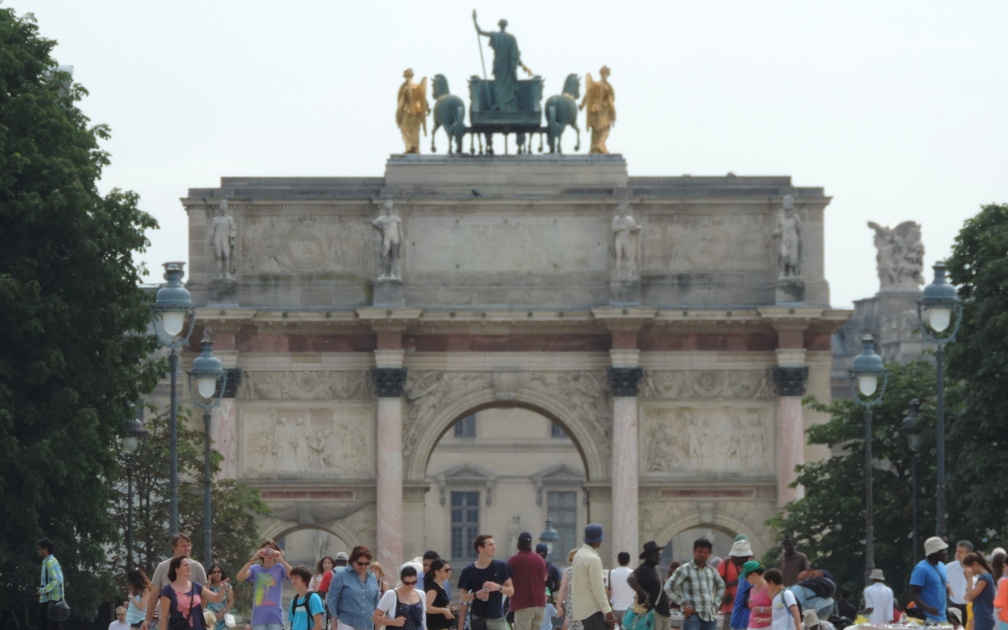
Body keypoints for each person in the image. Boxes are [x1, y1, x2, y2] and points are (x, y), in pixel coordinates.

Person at [145, 534, 208, 630]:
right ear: (174, 548)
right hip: (168, 620)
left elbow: (204, 596)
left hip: (191, 622)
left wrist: (197, 615)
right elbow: (154, 594)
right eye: (183, 546)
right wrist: (147, 619)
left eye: (189, 545)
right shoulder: (162, 567)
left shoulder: (197, 567)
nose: (187, 548)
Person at [472, 11, 532, 111]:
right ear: (506, 26)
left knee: (499, 85)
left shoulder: (495, 35)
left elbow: (479, 31)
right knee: (507, 86)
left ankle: (502, 106)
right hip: (508, 66)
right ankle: (506, 106)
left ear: (499, 26)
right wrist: (522, 65)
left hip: (499, 64)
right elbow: (515, 54)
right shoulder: (511, 38)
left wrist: (474, 19)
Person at [665, 538, 725, 630]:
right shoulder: (684, 569)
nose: (703, 554)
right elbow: (668, 587)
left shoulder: (712, 571)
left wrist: (716, 604)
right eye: (700, 551)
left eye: (706, 552)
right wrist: (683, 604)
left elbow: (721, 586)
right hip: (693, 616)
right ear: (694, 551)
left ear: (709, 554)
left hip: (710, 617)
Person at [458, 534, 514, 630]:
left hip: (497, 619)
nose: (494, 547)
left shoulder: (501, 566)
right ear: (480, 548)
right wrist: (476, 595)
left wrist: (498, 587)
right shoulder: (468, 571)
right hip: (477, 618)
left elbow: (511, 591)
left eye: (494, 544)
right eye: (490, 545)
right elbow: (463, 597)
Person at [237, 539, 293, 630]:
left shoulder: (280, 568)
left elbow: (294, 575)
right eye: (266, 551)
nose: (269, 554)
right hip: (259, 616)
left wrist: (281, 560)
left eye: (272, 551)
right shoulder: (255, 568)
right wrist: (252, 559)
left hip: (275, 616)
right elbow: (239, 577)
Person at [158, 556, 226, 630]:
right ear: (177, 570)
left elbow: (216, 599)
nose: (189, 567)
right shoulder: (167, 590)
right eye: (185, 565)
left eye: (189, 565)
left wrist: (222, 589)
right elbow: (164, 617)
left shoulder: (197, 586)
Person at [571, 524, 616, 630]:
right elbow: (598, 589)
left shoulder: (578, 555)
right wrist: (609, 613)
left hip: (581, 610)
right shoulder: (593, 559)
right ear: (597, 541)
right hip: (593, 610)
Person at [328, 546, 381, 630]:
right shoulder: (341, 576)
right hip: (346, 623)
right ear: (353, 561)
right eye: (360, 563)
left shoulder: (372, 577)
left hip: (367, 624)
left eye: (366, 564)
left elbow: (376, 601)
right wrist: (333, 622)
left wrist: (378, 622)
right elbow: (332, 600)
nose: (363, 566)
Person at [627, 542, 671, 630]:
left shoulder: (655, 570)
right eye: (655, 555)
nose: (658, 557)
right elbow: (630, 579)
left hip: (664, 612)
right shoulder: (643, 568)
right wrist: (643, 593)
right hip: (654, 612)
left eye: (659, 555)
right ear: (647, 556)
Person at [509, 531, 548, 630]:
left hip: (523, 603)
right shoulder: (539, 559)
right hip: (540, 603)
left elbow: (506, 578)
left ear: (518, 544)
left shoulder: (514, 560)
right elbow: (545, 577)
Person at [910, 536, 949, 624]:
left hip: (942, 618)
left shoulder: (942, 566)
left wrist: (948, 615)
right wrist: (927, 608)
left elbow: (941, 593)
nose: (946, 553)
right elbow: (913, 593)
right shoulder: (921, 569)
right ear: (934, 552)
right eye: (942, 550)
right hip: (926, 618)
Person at [374, 565, 426, 630]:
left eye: (413, 582)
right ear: (401, 580)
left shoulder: (421, 594)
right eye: (407, 583)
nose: (410, 586)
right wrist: (393, 622)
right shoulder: (391, 594)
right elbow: (375, 617)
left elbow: (423, 619)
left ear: (417, 579)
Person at [580, 67, 616, 154]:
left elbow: (587, 95)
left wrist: (582, 105)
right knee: (604, 129)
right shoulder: (607, 87)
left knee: (596, 129)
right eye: (606, 74)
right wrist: (613, 113)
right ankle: (599, 145)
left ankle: (595, 147)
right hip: (603, 110)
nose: (606, 75)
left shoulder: (595, 84)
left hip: (594, 109)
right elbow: (610, 102)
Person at [720, 537, 754, 630]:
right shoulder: (726, 564)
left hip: (747, 614)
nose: (733, 559)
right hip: (731, 611)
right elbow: (717, 585)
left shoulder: (751, 570)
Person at [396, 69, 429, 154]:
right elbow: (423, 99)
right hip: (417, 112)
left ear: (405, 76)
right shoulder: (418, 86)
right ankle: (416, 148)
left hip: (407, 112)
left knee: (405, 130)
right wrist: (427, 108)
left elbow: (401, 104)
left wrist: (397, 115)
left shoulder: (405, 88)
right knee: (416, 131)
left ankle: (409, 146)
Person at [37, 538, 65, 630]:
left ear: (45, 549)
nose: (38, 551)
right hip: (49, 600)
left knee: (48, 625)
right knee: (49, 626)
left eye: (39, 548)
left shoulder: (50, 562)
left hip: (51, 600)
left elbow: (57, 580)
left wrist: (42, 591)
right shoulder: (49, 562)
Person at [963, 553, 997, 630]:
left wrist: (969, 579)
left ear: (975, 564)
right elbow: (968, 596)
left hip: (984, 617)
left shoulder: (984, 578)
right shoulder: (983, 578)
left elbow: (970, 597)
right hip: (980, 617)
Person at [371, 201, 402, 280]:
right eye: (387, 208)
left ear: (392, 209)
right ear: (385, 209)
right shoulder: (382, 218)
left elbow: (400, 230)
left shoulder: (396, 218)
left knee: (394, 256)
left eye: (390, 208)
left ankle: (392, 273)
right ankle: (384, 272)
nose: (389, 210)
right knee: (384, 254)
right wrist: (380, 228)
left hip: (395, 238)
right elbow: (373, 223)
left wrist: (401, 239)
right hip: (387, 238)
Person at [554, 548, 583, 630]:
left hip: (585, 606)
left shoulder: (587, 571)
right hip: (571, 606)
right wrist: (558, 605)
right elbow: (562, 589)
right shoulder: (568, 572)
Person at [773, 196, 802, 278]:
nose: (788, 203)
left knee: (792, 256)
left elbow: (800, 230)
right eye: (786, 201)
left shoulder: (796, 216)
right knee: (784, 254)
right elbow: (777, 227)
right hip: (784, 237)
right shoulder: (780, 216)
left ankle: (791, 272)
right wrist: (776, 232)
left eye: (790, 202)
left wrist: (801, 243)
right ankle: (783, 271)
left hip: (793, 237)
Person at [948, 541, 974, 628]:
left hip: (971, 608)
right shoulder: (950, 567)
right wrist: (947, 587)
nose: (958, 554)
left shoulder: (976, 568)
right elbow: (939, 579)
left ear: (969, 553)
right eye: (957, 551)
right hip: (955, 607)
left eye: (961, 552)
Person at [425, 559, 456, 630]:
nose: (449, 572)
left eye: (450, 569)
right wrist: (444, 610)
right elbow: (427, 608)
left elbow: (438, 604)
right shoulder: (433, 588)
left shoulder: (441, 586)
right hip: (435, 625)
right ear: (437, 572)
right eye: (446, 570)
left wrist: (448, 609)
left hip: (443, 624)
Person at [209, 199, 237, 279]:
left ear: (226, 207)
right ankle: (219, 274)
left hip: (226, 238)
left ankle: (226, 273)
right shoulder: (215, 219)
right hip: (217, 238)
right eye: (221, 206)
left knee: (226, 256)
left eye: (224, 206)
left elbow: (233, 228)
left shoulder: (229, 219)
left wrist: (232, 236)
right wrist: (211, 238)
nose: (223, 208)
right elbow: (212, 230)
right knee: (218, 256)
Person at [742, 563, 771, 630]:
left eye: (747, 577)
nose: (746, 580)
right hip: (752, 625)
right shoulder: (752, 590)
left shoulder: (769, 588)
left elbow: (779, 609)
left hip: (766, 626)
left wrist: (762, 609)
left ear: (753, 575)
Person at [608, 552, 634, 627]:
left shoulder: (611, 573)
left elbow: (607, 591)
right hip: (630, 609)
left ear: (618, 560)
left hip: (616, 608)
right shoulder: (633, 574)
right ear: (629, 561)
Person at [205, 564, 232, 630]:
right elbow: (205, 598)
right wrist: (208, 582)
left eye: (219, 572)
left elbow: (231, 601)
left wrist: (222, 612)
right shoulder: (208, 586)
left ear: (221, 573)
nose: (216, 574)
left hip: (223, 617)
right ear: (210, 574)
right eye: (214, 572)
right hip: (211, 618)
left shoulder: (227, 586)